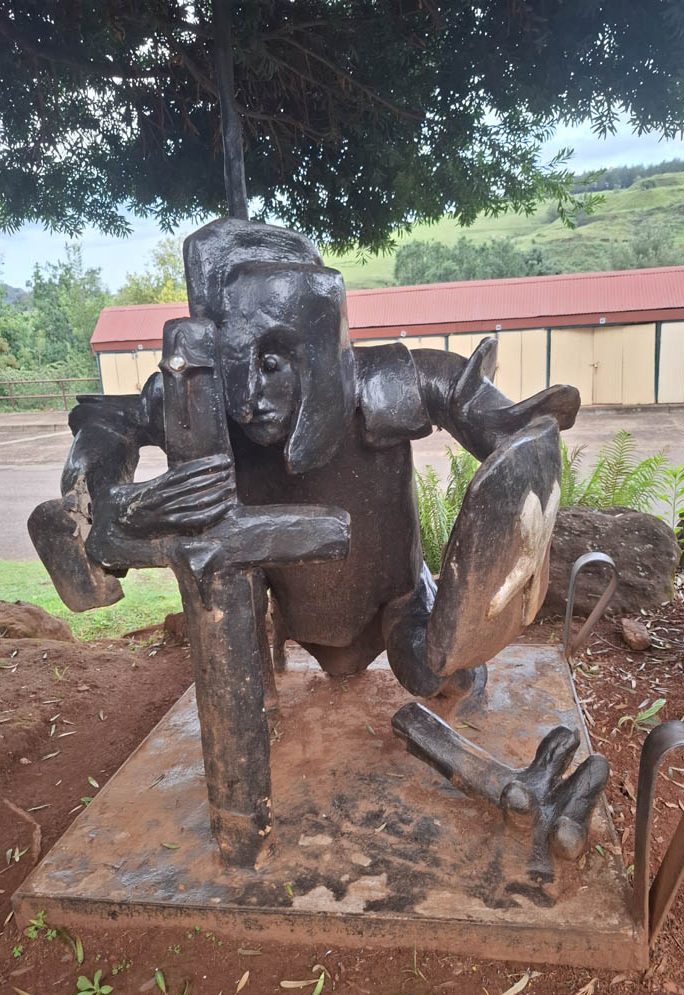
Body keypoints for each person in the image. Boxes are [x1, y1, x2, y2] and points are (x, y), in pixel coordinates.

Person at [58, 219, 580, 699]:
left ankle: (439, 656)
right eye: (233, 365)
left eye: (270, 364)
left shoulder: (385, 382)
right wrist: (115, 503)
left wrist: (514, 442)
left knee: (433, 671)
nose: (247, 400)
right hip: (279, 607)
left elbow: (480, 406)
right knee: (252, 667)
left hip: (394, 600)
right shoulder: (197, 398)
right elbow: (105, 423)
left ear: (312, 348)